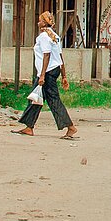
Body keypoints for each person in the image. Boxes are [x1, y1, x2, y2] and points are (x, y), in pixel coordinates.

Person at [12, 11, 77, 139]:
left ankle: (70, 127)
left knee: (52, 100)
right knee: (36, 98)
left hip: (46, 72)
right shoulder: (55, 36)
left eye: (40, 20)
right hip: (54, 70)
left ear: (43, 23)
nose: (38, 22)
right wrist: (63, 75)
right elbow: (59, 57)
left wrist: (42, 76)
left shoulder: (43, 37)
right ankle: (29, 127)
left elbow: (46, 55)